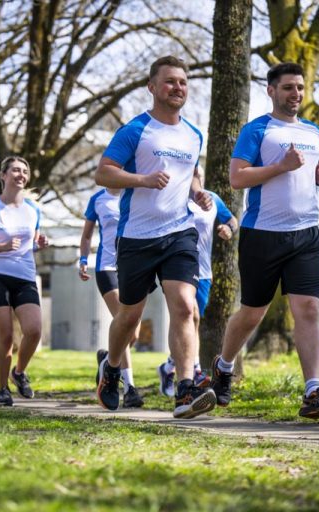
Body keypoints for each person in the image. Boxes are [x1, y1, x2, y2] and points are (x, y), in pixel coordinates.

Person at [210, 62, 319, 420]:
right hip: (263, 234)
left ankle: (313, 391)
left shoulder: (314, 132)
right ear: (271, 91)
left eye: (300, 87)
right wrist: (280, 167)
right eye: (288, 87)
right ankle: (223, 367)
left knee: (309, 310)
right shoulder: (256, 131)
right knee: (253, 313)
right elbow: (237, 178)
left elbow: (304, 177)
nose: (296, 94)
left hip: (307, 234)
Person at [94, 55, 217, 419]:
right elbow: (104, 174)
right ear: (152, 87)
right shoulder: (136, 130)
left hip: (179, 233)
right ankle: (112, 368)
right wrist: (142, 180)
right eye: (169, 82)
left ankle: (184, 389)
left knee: (184, 305)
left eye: (182, 82)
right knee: (130, 317)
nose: (177, 87)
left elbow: (192, 172)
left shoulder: (193, 134)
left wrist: (197, 191)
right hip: (137, 236)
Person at [0, 156, 49, 407]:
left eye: (24, 171)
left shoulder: (33, 209)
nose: (21, 175)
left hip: (24, 276)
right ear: (3, 175)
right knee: (5, 335)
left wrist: (40, 243)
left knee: (34, 330)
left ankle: (19, 372)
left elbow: (32, 243)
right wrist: (1, 246)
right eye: (15, 170)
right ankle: (3, 389)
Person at [157, 180, 238, 396]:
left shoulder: (212, 198)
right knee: (188, 313)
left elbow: (232, 220)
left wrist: (228, 229)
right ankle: (195, 370)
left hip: (203, 272)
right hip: (177, 269)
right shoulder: (174, 197)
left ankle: (169, 367)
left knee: (194, 320)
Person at [79, 187, 143, 408]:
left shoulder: (135, 192)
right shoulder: (97, 198)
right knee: (124, 323)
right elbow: (87, 235)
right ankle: (130, 389)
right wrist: (83, 260)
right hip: (106, 268)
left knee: (133, 332)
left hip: (133, 268)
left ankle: (107, 360)